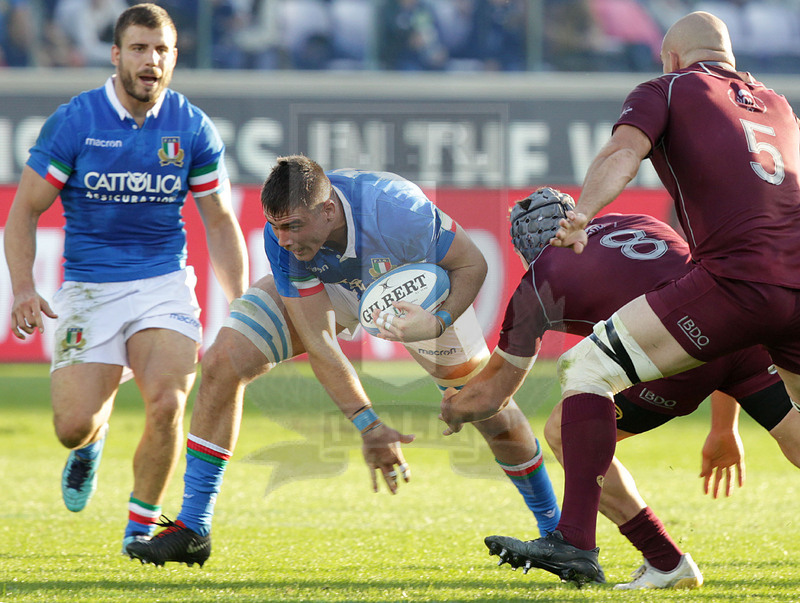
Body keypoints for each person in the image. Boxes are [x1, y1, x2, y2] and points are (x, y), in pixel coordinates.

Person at [445, 10, 800, 586]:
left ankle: (580, 542)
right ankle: (650, 561)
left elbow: (621, 154)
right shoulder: (780, 105)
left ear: (670, 59)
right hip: (784, 291)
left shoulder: (667, 89)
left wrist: (583, 212)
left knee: (585, 371)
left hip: (730, 295)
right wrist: (724, 423)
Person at [125, 155, 561, 567]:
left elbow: (472, 263)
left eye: (293, 225)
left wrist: (437, 320)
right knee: (223, 361)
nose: (283, 239)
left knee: (489, 408)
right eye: (276, 227)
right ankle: (194, 527)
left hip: (414, 288)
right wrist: (368, 424)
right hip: (329, 281)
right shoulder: (287, 242)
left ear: (329, 211)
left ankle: (555, 531)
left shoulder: (395, 209)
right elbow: (320, 341)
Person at [440, 187, 800, 589]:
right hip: (741, 333)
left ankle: (659, 558)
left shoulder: (542, 276)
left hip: (677, 355)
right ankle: (640, 558)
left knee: (565, 426)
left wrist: (455, 408)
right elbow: (706, 307)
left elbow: (493, 394)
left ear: (526, 248)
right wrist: (723, 426)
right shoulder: (639, 223)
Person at [3, 3, 248, 556]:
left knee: (167, 402)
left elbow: (221, 220)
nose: (150, 60)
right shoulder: (76, 121)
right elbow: (23, 213)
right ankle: (91, 444)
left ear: (174, 57)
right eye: (138, 48)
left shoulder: (191, 126)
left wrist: (241, 304)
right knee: (72, 426)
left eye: (161, 50)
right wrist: (22, 286)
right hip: (89, 288)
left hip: (163, 283)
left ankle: (141, 531)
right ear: (116, 55)